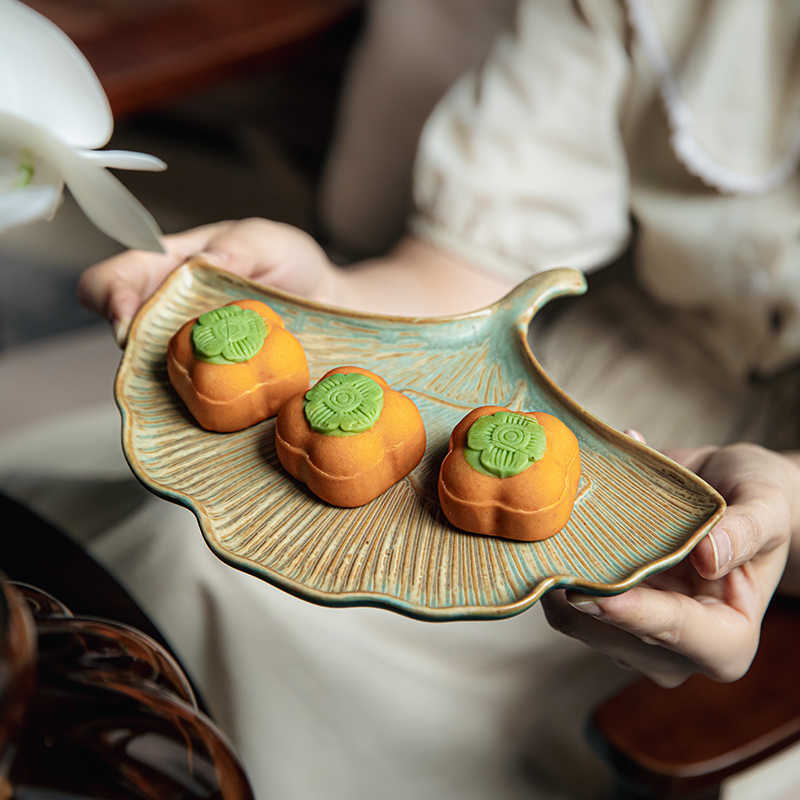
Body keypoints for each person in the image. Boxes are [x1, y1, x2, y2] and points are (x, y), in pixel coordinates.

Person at [74, 0, 799, 795]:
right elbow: (466, 273)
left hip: (748, 516)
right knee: (190, 550)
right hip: (563, 386)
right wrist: (329, 303)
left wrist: (783, 513)